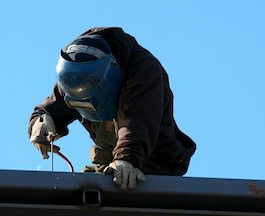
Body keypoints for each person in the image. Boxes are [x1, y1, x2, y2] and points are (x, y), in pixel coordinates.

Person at [28, 27, 196, 190]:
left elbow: (137, 122)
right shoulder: (73, 72)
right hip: (108, 159)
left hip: (154, 164)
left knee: (127, 191)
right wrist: (41, 121)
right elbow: (51, 108)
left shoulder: (144, 73)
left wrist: (126, 160)